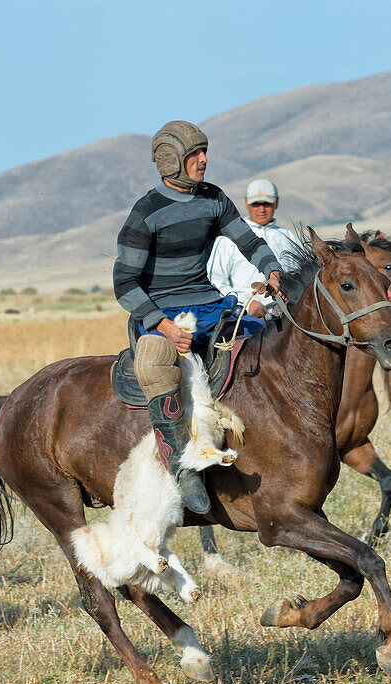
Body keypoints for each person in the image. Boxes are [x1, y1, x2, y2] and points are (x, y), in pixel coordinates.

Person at [114, 120, 283, 515]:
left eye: (204, 151)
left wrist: (271, 269)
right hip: (161, 314)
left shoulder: (213, 198)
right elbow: (124, 282)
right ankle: (184, 468)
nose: (204, 159)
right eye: (195, 154)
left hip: (209, 305)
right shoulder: (146, 212)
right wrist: (165, 327)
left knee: (266, 334)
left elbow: (247, 239)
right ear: (171, 161)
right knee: (155, 362)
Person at [207, 178, 301, 317]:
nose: (261, 209)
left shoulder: (288, 237)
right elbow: (215, 281)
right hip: (244, 316)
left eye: (267, 204)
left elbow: (300, 277)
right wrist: (245, 303)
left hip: (286, 314)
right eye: (256, 204)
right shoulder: (229, 238)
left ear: (276, 202)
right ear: (246, 202)